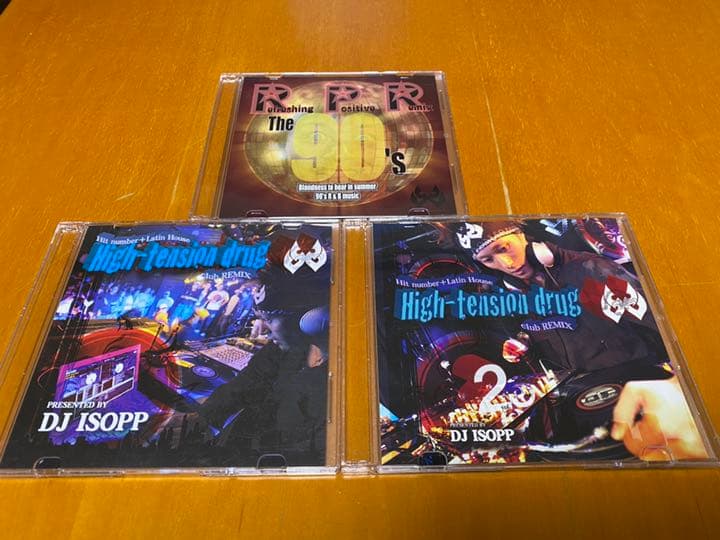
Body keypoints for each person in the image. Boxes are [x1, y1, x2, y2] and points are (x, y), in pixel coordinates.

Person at [452, 220, 708, 460]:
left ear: (521, 235)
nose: (506, 264)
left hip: (643, 399)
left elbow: (664, 326)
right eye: (488, 259)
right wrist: (524, 340)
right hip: (584, 406)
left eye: (503, 248)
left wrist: (680, 384)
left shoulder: (590, 273)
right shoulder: (519, 295)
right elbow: (554, 333)